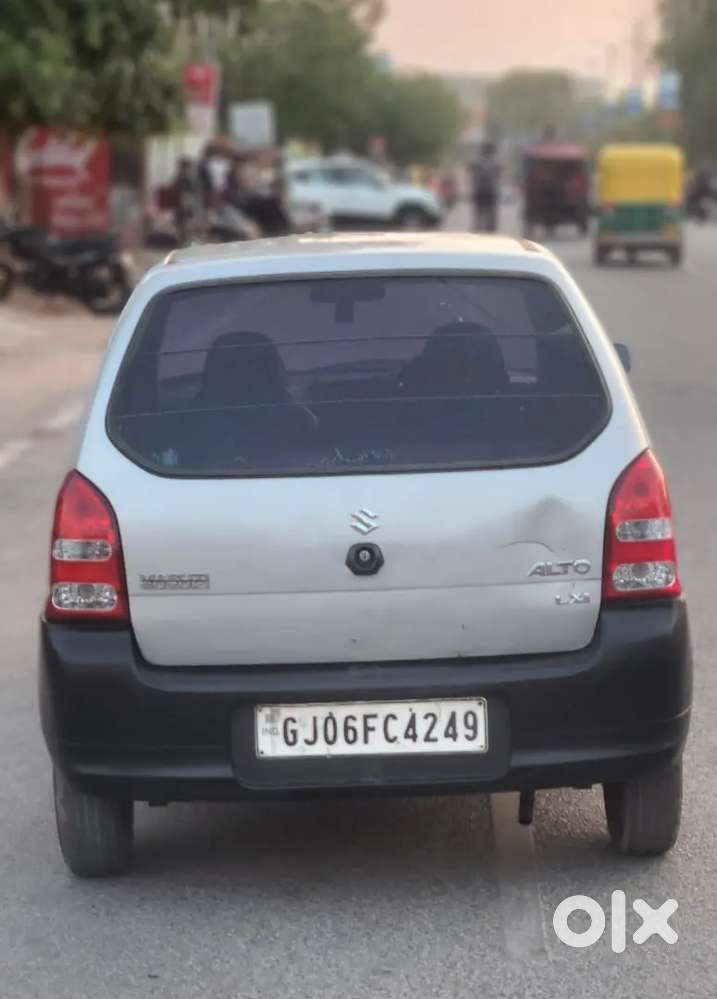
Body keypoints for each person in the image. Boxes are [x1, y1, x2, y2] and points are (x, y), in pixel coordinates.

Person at [471, 142, 500, 233]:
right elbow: (498, 176)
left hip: (480, 191)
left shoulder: (477, 163)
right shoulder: (495, 163)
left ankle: (479, 230)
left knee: (479, 215)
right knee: (490, 216)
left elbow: (474, 177)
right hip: (490, 192)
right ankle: (490, 232)